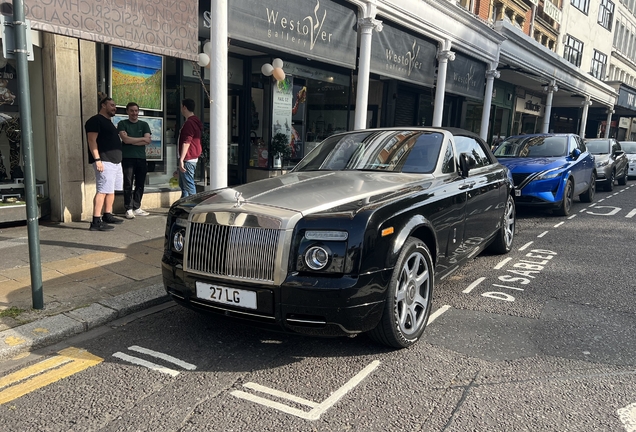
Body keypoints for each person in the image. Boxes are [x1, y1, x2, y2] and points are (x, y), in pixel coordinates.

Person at [84, 97, 124, 231]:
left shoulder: (109, 122)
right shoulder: (95, 120)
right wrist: (97, 159)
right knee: (102, 190)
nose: (114, 108)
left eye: (115, 105)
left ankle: (107, 214)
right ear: (103, 105)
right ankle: (96, 221)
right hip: (104, 161)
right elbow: (91, 141)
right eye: (111, 105)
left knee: (110, 190)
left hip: (115, 161)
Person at [117, 102, 152, 219]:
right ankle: (128, 208)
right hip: (127, 158)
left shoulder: (144, 124)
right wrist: (142, 139)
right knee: (128, 183)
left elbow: (148, 141)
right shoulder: (122, 124)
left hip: (141, 158)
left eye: (136, 111)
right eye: (131, 110)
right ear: (127, 112)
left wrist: (132, 139)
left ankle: (137, 207)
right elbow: (125, 140)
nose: (134, 113)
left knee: (140, 184)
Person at [177, 98, 203, 198]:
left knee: (188, 185)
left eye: (181, 106)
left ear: (184, 107)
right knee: (184, 186)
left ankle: (194, 206)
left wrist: (181, 159)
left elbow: (187, 141)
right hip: (191, 157)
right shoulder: (194, 122)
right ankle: (184, 207)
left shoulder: (189, 123)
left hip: (188, 157)